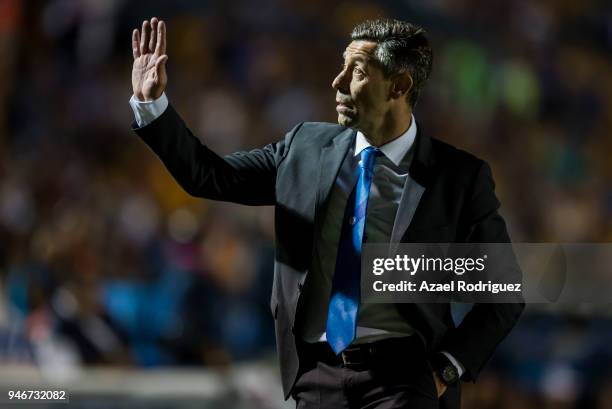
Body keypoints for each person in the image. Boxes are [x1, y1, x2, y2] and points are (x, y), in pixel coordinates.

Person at [129, 17, 524, 409]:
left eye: (355, 71)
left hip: (403, 382)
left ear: (399, 86)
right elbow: (208, 177)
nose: (336, 82)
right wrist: (153, 106)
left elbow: (504, 293)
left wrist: (447, 369)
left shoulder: (458, 177)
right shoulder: (302, 146)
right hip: (316, 378)